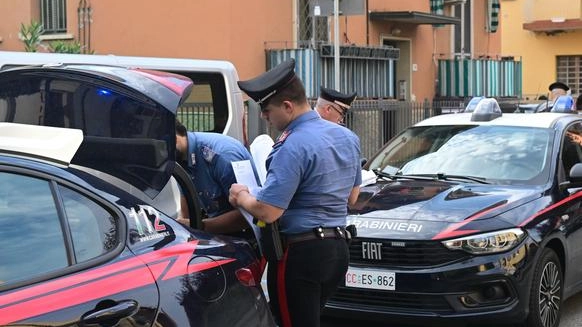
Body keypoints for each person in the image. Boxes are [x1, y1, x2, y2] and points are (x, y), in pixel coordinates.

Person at [229, 58, 362, 327]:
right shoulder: (347, 137)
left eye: (267, 111)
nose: (265, 117)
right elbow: (352, 198)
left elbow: (269, 210)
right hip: (337, 251)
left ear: (287, 106)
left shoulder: (291, 145)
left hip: (301, 255)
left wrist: (241, 196)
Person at [175, 119, 259, 233]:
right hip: (215, 230)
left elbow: (249, 215)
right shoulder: (180, 158)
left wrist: (199, 226)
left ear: (174, 139)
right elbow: (186, 208)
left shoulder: (223, 156)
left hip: (245, 234)